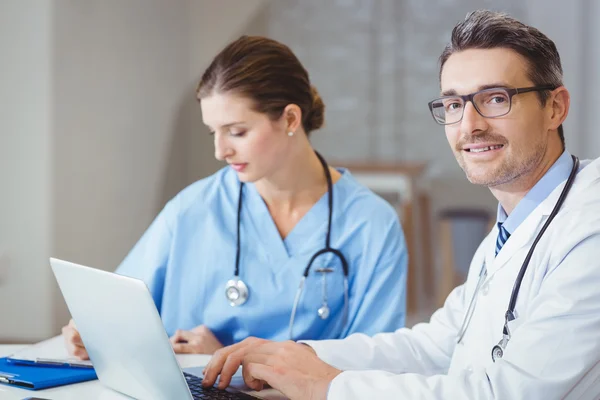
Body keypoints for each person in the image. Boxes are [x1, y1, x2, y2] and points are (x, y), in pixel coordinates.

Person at [201, 10, 600, 399]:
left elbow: (507, 394)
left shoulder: (588, 228)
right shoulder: (511, 229)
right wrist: (300, 355)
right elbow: (435, 346)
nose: (470, 125)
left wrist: (324, 387)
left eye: (496, 99)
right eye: (455, 104)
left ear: (555, 107)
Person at [61, 36, 408, 358]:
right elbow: (120, 309)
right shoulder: (192, 210)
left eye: (237, 132)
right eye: (214, 132)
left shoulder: (371, 225)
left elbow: (374, 364)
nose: (220, 150)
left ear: (290, 118)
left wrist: (231, 361)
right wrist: (95, 332)